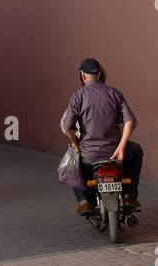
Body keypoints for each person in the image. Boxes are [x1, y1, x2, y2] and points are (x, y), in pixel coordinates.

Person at [60, 58, 144, 215]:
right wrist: (121, 147)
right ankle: (130, 196)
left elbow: (67, 127)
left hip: (89, 154)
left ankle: (82, 200)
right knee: (137, 151)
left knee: (73, 161)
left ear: (83, 76)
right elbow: (130, 121)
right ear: (99, 74)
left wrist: (75, 143)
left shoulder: (78, 96)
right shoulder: (114, 93)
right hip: (114, 152)